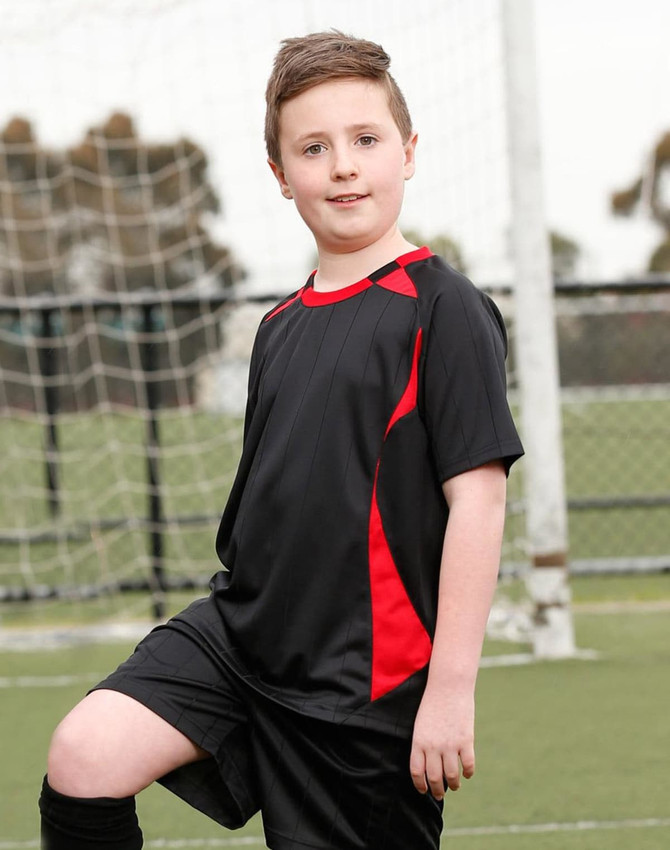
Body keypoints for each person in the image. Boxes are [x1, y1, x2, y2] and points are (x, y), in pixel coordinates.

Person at [39, 30, 523, 850]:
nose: (342, 165)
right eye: (314, 147)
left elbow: (477, 500)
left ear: (406, 153)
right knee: (83, 756)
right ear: (281, 176)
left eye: (365, 140)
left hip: (360, 684)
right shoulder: (278, 325)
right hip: (243, 637)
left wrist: (450, 688)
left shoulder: (442, 307)